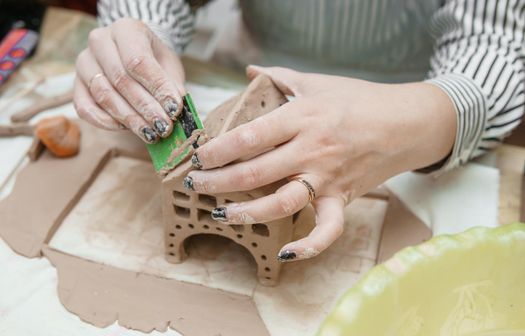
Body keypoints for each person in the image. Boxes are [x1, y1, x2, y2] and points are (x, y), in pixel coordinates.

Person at [74, 0, 525, 262]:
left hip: (413, 100)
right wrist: (139, 36)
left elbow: (496, 46)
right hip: (241, 73)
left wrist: (415, 119)